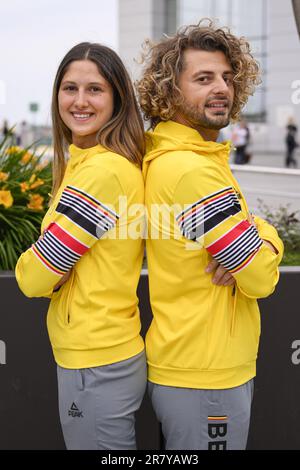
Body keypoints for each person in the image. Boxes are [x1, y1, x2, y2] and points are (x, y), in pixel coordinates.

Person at [137, 21, 284, 450]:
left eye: (226, 77)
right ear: (169, 91)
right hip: (206, 373)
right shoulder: (191, 170)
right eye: (203, 79)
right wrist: (267, 236)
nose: (222, 87)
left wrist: (252, 234)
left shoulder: (186, 156)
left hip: (195, 365)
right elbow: (258, 276)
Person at [15, 42, 147, 450]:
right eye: (70, 88)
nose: (80, 100)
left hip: (96, 358)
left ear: (117, 99)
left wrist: (38, 263)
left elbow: (36, 277)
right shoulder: (87, 163)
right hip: (99, 352)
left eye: (95, 89)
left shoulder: (102, 172)